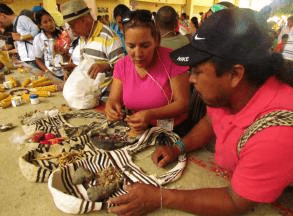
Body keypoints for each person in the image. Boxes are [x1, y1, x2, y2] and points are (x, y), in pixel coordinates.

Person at [107, 8, 293, 216]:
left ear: (235, 74)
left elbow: (234, 202)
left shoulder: (275, 133)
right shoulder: (229, 93)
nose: (191, 79)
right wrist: (178, 148)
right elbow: (209, 121)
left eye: (197, 71)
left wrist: (160, 197)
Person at [105, 10, 190, 135]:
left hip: (173, 131)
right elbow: (114, 99)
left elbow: (182, 103)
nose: (138, 54)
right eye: (131, 46)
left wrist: (151, 114)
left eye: (145, 46)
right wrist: (111, 106)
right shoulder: (121, 65)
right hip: (138, 130)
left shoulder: (173, 60)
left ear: (156, 41)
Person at [60, 0, 124, 109]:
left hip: (107, 101)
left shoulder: (108, 37)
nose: (73, 32)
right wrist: (75, 69)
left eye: (73, 26)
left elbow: (123, 68)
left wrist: (107, 66)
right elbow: (87, 68)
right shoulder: (82, 38)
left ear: (85, 20)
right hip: (89, 98)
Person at [33, 9, 66, 80]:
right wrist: (47, 71)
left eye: (50, 20)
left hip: (67, 72)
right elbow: (38, 59)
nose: (50, 24)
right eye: (45, 22)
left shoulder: (63, 34)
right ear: (40, 26)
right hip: (52, 73)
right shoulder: (38, 39)